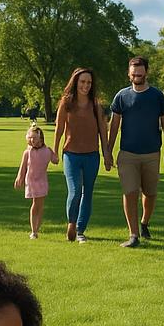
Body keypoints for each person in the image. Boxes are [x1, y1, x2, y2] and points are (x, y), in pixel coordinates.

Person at [106, 56, 164, 249]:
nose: (137, 77)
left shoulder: (157, 96)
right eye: (134, 74)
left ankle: (144, 223)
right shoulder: (121, 96)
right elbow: (114, 126)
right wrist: (109, 151)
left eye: (140, 74)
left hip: (152, 154)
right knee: (130, 192)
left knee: (150, 193)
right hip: (128, 154)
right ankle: (133, 234)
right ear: (129, 74)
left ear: (147, 73)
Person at [52, 67, 112, 243]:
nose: (86, 85)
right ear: (75, 82)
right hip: (71, 155)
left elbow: (103, 131)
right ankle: (72, 223)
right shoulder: (66, 103)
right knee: (75, 190)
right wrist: (55, 151)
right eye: (82, 82)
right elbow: (59, 129)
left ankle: (80, 230)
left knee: (88, 192)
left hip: (92, 156)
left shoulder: (96, 105)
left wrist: (106, 154)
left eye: (89, 82)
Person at [15, 125, 55, 239]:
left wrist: (52, 151)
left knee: (40, 205)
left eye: (34, 138)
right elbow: (23, 167)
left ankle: (37, 228)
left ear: (40, 138)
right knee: (35, 204)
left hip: (42, 180)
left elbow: (55, 160)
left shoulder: (46, 151)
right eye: (30, 138)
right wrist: (20, 178)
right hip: (32, 181)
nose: (32, 140)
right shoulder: (27, 152)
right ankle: (33, 230)